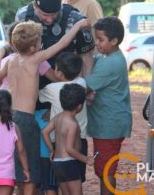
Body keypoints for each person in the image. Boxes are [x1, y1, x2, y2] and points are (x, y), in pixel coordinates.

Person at [0, 19, 90, 195]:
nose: (41, 44)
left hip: (9, 116)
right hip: (26, 119)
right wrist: (78, 25)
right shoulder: (35, 59)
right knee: (30, 167)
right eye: (39, 41)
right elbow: (63, 43)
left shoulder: (10, 60)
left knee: (15, 164)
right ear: (32, 48)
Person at [84, 16, 133, 195]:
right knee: (104, 169)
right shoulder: (109, 57)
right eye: (96, 38)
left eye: (101, 40)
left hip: (109, 124)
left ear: (114, 40)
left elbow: (85, 87)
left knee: (106, 171)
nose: (97, 43)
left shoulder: (110, 63)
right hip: (108, 123)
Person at [15, 0, 95, 79]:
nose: (49, 20)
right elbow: (16, 51)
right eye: (45, 14)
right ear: (34, 6)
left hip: (65, 84)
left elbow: (86, 56)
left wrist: (85, 87)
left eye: (54, 15)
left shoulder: (75, 19)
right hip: (31, 81)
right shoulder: (23, 16)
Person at [39, 52, 89, 184]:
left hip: (59, 143)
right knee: (77, 181)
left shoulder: (51, 89)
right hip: (80, 141)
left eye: (55, 67)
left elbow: (38, 96)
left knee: (62, 183)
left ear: (59, 73)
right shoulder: (82, 83)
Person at [42, 83, 94, 195]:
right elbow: (69, 149)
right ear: (80, 106)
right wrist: (86, 159)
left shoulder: (58, 117)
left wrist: (52, 150)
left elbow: (45, 132)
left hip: (57, 163)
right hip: (69, 163)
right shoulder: (72, 124)